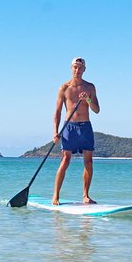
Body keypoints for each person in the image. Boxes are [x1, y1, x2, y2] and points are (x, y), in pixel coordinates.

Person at [52, 57, 100, 205]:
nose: (77, 70)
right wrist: (55, 132)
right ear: (71, 68)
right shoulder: (64, 88)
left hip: (85, 127)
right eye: (75, 67)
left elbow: (97, 110)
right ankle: (55, 196)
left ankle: (85, 195)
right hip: (69, 127)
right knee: (65, 160)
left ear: (84, 70)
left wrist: (88, 100)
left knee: (88, 161)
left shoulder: (90, 87)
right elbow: (58, 112)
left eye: (80, 68)